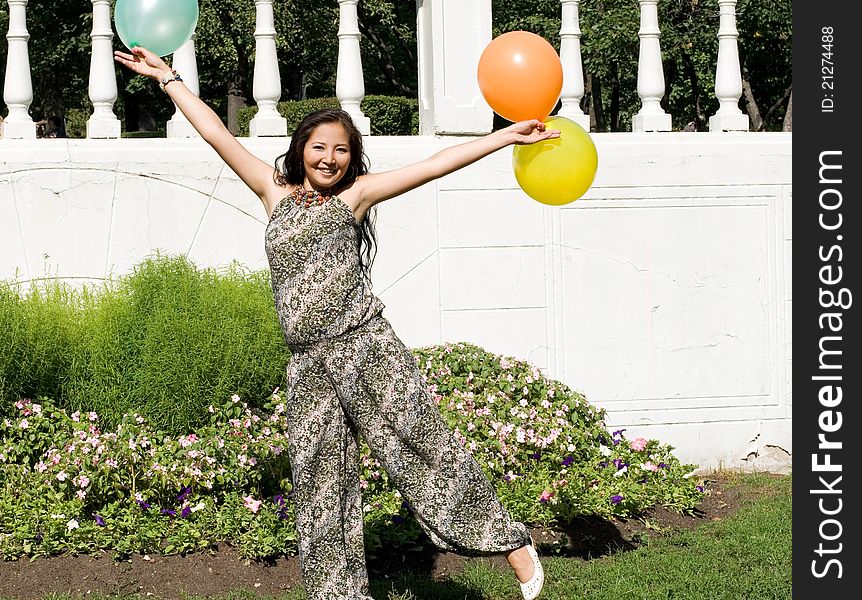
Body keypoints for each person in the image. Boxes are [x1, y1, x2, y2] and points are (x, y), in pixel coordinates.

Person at [115, 45, 558, 600]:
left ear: (352, 158)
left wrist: (504, 137)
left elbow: (434, 165)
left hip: (364, 347)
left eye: (341, 151)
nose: (329, 159)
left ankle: (510, 543)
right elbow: (216, 133)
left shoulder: (356, 196)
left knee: (423, 446)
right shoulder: (272, 192)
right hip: (307, 364)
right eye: (319, 148)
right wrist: (169, 79)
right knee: (321, 486)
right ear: (301, 150)